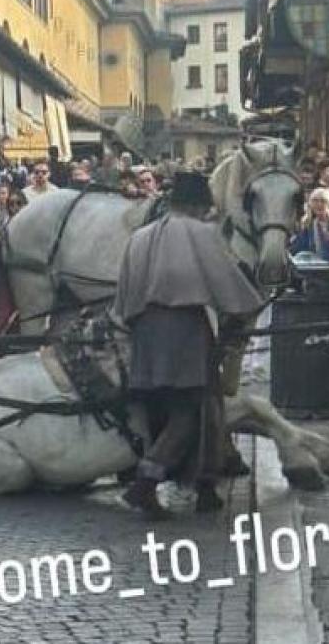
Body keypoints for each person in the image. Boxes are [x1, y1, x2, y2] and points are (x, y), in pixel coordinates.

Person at [112, 172, 263, 519]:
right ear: (199, 206)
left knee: (174, 408)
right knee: (190, 409)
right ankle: (145, 482)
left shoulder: (141, 236)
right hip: (184, 330)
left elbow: (123, 293)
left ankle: (204, 485)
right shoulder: (200, 234)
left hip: (144, 331)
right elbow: (227, 283)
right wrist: (242, 311)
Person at [289, 188, 329, 263]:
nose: (319, 204)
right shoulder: (308, 225)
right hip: (314, 267)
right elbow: (297, 248)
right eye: (315, 201)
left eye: (323, 201)